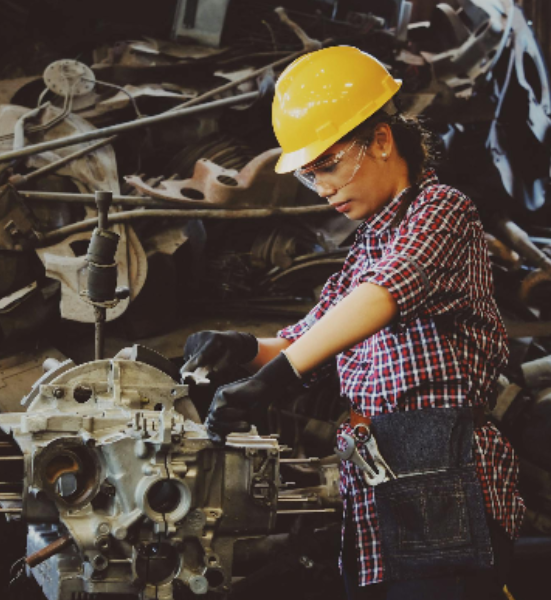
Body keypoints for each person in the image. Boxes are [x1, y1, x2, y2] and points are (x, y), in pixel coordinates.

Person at [180, 46, 525, 599]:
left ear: (382, 140)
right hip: (376, 472)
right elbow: (306, 337)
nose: (322, 188)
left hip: (441, 470)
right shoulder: (367, 247)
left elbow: (384, 295)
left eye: (330, 165)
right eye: (310, 175)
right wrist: (243, 348)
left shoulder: (442, 210)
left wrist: (275, 378)